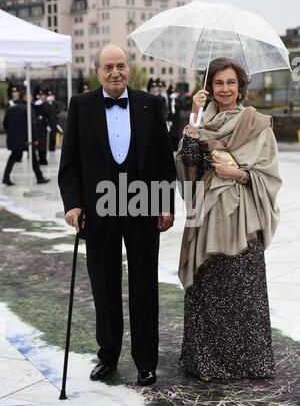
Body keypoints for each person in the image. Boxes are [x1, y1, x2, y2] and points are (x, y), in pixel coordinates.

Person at [58, 44, 176, 386]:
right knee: (104, 285)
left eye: (121, 66)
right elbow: (70, 164)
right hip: (99, 211)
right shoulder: (80, 106)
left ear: (129, 68)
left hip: (142, 207)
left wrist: (165, 203)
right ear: (97, 71)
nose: (115, 72)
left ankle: (146, 360)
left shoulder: (150, 104)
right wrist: (73, 204)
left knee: (144, 286)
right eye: (108, 67)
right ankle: (107, 355)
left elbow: (163, 160)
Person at [176, 57, 282, 381]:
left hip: (243, 221)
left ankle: (248, 362)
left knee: (243, 293)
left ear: (240, 88)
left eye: (231, 83)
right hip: (208, 217)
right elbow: (188, 165)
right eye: (219, 83)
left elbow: (270, 174)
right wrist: (192, 124)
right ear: (210, 87)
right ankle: (207, 361)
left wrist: (238, 172)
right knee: (208, 288)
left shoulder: (256, 124)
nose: (225, 89)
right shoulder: (200, 121)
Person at [2, 89, 50, 186]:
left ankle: (6, 177)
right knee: (33, 157)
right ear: (24, 97)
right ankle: (39, 178)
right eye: (30, 95)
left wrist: (11, 133)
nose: (31, 97)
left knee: (13, 157)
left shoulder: (11, 108)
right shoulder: (28, 108)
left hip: (15, 139)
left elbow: (5, 123)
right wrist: (35, 138)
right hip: (27, 139)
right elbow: (32, 125)